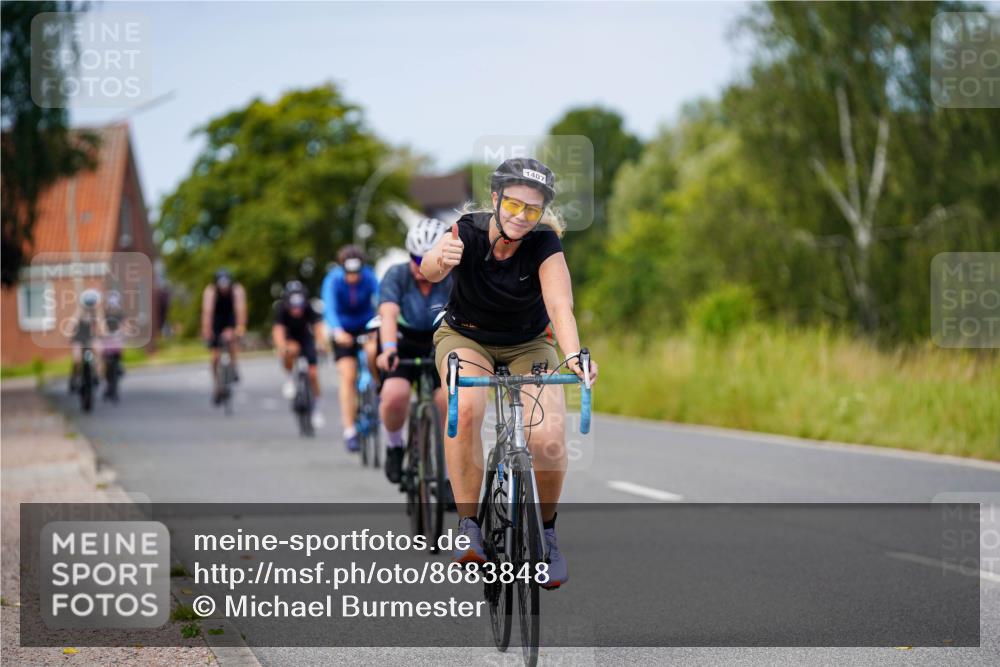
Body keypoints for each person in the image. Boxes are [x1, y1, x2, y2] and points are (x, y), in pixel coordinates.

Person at [421, 157, 598, 590]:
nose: (521, 217)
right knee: (466, 409)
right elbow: (430, 270)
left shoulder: (544, 244)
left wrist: (574, 356)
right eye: (514, 205)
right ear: (497, 198)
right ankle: (469, 526)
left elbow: (560, 307)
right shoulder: (467, 230)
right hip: (467, 336)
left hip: (528, 342)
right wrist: (440, 258)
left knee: (550, 437)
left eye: (532, 210)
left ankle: (549, 536)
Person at [376, 218, 453, 484]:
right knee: (394, 395)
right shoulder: (397, 275)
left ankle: (446, 474)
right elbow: (388, 314)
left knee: (447, 401)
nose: (421, 266)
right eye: (415, 258)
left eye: (427, 259)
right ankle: (395, 446)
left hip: (440, 342)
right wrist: (388, 349)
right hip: (401, 341)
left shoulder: (453, 276)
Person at [321, 245, 379, 451]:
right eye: (349, 273)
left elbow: (381, 300)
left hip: (366, 326)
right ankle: (349, 429)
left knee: (374, 354)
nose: (353, 277)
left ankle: (378, 388)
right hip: (343, 330)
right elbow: (329, 309)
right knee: (347, 374)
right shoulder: (333, 280)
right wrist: (337, 330)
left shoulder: (370, 276)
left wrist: (379, 324)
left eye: (357, 272)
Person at [273, 280, 327, 429]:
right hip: (290, 339)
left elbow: (318, 327)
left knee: (313, 374)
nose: (297, 310)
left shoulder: (310, 307)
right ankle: (290, 378)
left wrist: (321, 343)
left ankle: (317, 408)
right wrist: (281, 346)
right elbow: (278, 331)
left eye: (299, 306)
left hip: (306, 338)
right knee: (291, 350)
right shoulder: (281, 310)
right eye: (293, 306)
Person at [201, 268, 247, 405]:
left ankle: (234, 366)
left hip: (230, 317)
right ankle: (217, 386)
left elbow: (241, 310)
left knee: (231, 340)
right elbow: (207, 313)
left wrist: (240, 328)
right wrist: (207, 331)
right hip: (216, 319)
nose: (224, 289)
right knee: (215, 357)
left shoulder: (237, 290)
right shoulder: (210, 291)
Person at [68, 288, 106, 392]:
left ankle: (97, 375)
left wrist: (103, 333)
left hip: (91, 337)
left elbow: (101, 324)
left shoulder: (97, 312)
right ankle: (74, 377)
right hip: (78, 337)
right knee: (77, 359)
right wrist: (69, 332)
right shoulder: (79, 311)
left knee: (99, 351)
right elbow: (72, 323)